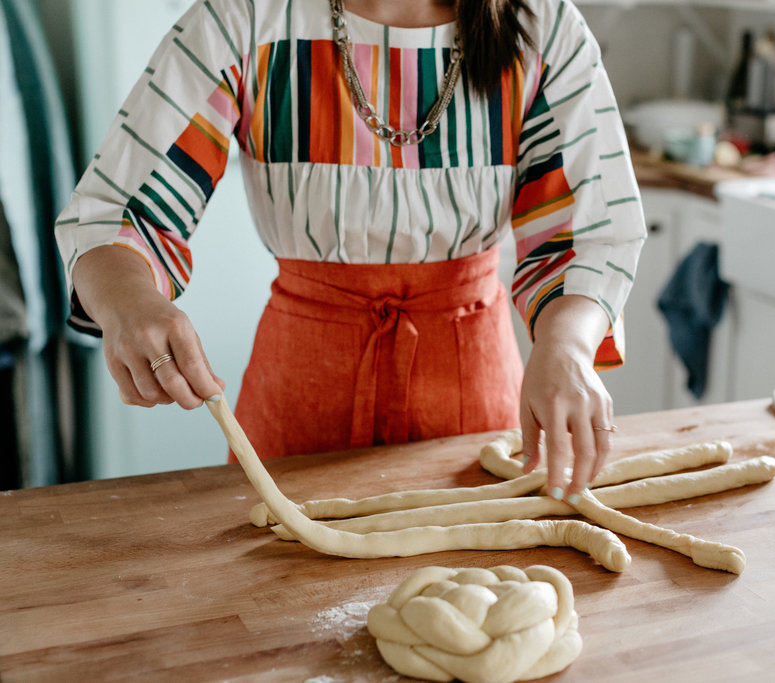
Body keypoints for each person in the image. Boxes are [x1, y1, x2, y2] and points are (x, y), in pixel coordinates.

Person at [55, 0, 645, 504]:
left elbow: (586, 232)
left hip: (476, 403)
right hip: (298, 401)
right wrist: (129, 302)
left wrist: (566, 343)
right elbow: (116, 214)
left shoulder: (541, 24)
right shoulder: (245, 17)